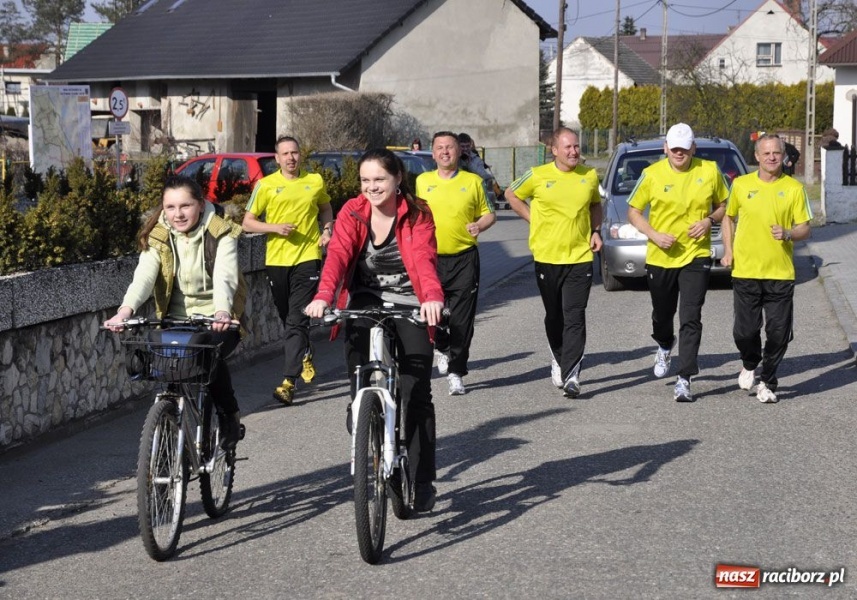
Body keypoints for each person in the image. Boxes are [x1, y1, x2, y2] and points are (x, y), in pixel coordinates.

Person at [305, 148, 444, 512]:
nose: (371, 187)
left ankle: (423, 478)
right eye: (365, 180)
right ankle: (364, 410)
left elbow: (427, 260)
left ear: (398, 178)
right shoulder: (353, 211)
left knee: (416, 391)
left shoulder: (418, 213)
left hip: (411, 301)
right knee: (359, 378)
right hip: (365, 299)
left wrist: (431, 298)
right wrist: (324, 296)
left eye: (379, 179)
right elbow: (336, 255)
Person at [104, 176, 246, 449]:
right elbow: (144, 276)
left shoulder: (221, 232)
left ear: (201, 204)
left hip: (217, 316)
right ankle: (168, 435)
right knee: (169, 367)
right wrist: (124, 311)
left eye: (185, 206)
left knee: (209, 358)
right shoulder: (159, 234)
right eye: (170, 207)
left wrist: (221, 312)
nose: (177, 214)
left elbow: (225, 277)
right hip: (175, 319)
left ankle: (228, 414)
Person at [627, 122, 729, 402]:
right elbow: (633, 212)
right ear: (666, 149)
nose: (679, 154)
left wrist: (709, 221)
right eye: (674, 149)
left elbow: (724, 205)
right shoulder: (651, 174)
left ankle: (684, 378)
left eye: (684, 149)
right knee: (662, 314)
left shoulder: (708, 171)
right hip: (661, 256)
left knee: (691, 316)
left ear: (693, 148)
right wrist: (654, 234)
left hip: (695, 255)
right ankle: (663, 343)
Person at [504, 127, 602, 398]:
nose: (573, 152)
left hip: (580, 257)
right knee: (554, 316)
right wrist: (533, 218)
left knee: (575, 315)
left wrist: (596, 230)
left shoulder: (589, 176)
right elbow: (511, 195)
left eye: (576, 147)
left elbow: (595, 205)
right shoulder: (537, 175)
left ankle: (572, 375)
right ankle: (558, 356)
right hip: (547, 257)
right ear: (555, 150)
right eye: (567, 147)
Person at [243, 135, 334, 405]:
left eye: (295, 152)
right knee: (287, 318)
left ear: (300, 154)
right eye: (285, 154)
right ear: (277, 158)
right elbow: (248, 222)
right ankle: (304, 350)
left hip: (307, 257)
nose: (291, 158)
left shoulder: (314, 181)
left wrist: (327, 230)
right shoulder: (266, 185)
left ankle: (288, 382)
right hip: (277, 260)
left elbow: (326, 208)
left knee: (297, 319)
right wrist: (275, 228)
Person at [721, 133, 812, 403]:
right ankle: (750, 362)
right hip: (746, 271)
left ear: (782, 156)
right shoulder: (741, 185)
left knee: (778, 333)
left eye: (776, 153)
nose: (772, 157)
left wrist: (787, 233)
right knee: (745, 332)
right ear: (757, 157)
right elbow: (728, 217)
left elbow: (805, 228)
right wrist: (728, 250)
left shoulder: (794, 188)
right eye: (766, 153)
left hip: (780, 273)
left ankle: (768, 382)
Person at [416, 131, 496, 395]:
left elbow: (489, 214)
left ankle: (456, 372)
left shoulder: (472, 181)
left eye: (449, 147)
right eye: (439, 148)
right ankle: (442, 346)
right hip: (430, 260)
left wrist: (479, 225)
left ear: (459, 151)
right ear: (433, 152)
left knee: (462, 319)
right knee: (433, 315)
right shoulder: (422, 182)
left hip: (464, 258)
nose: (445, 152)